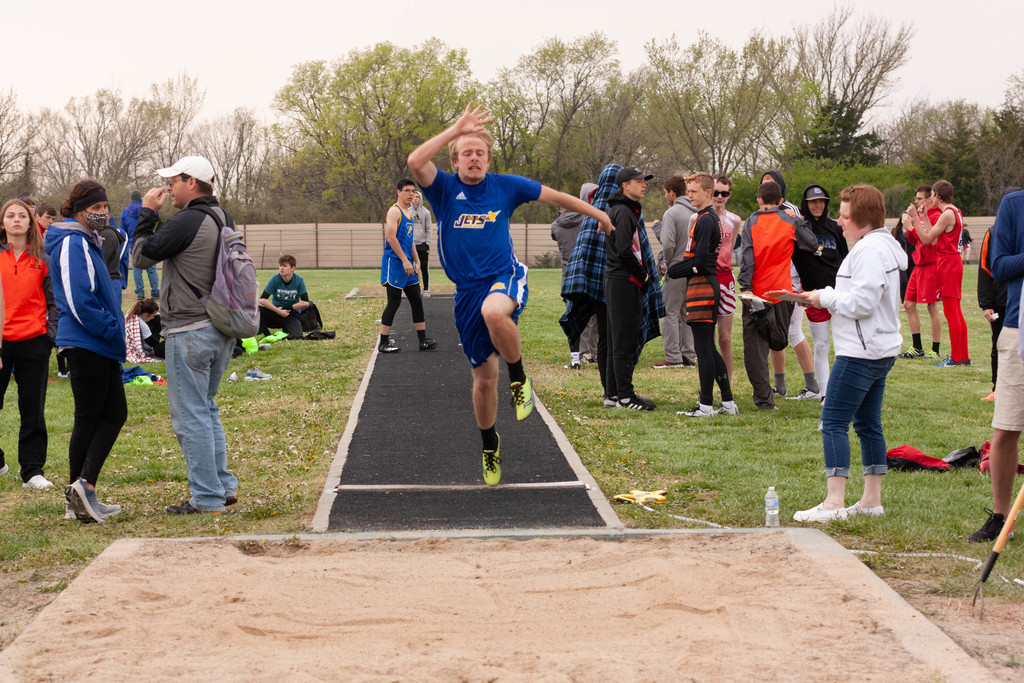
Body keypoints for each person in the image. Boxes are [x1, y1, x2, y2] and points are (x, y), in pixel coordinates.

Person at [408, 102, 613, 486]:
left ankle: (519, 379)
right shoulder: (444, 189)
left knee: (494, 312)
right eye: (467, 153)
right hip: (465, 293)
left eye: (480, 153)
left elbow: (556, 198)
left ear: (488, 159)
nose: (474, 158)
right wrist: (456, 128)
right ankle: (489, 445)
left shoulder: (505, 186)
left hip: (504, 276)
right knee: (484, 379)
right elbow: (416, 160)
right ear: (455, 159)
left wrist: (598, 213)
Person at [132, 155, 240, 515]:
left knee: (190, 415)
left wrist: (147, 213)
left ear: (192, 182)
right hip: (220, 327)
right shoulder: (223, 216)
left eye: (174, 181)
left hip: (189, 330)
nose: (168, 188)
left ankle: (207, 497)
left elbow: (141, 257)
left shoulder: (189, 219)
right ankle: (222, 487)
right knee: (206, 408)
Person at [795, 184, 907, 522]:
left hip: (861, 352)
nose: (839, 223)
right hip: (878, 348)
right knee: (868, 423)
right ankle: (871, 501)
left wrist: (824, 299)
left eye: (845, 217)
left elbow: (861, 303)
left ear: (863, 219)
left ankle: (833, 503)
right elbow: (858, 293)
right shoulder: (878, 247)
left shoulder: (869, 251)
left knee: (832, 421)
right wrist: (821, 293)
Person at [44, 180, 126, 523]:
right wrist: (109, 328)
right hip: (87, 341)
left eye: (105, 207)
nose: (103, 213)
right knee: (103, 415)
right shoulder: (70, 242)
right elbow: (78, 300)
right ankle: (83, 487)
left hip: (98, 341)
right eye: (95, 209)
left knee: (98, 416)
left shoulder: (88, 240)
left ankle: (78, 497)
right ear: (79, 211)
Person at [970, 188, 1024, 541]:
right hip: (1017, 330)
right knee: (1006, 429)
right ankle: (1001, 515)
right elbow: (999, 266)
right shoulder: (1013, 204)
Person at [737, 180, 818, 410]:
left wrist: (746, 287)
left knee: (755, 348)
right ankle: (768, 395)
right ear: (781, 201)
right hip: (782, 293)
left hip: (757, 293)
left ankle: (764, 399)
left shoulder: (751, 222)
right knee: (779, 339)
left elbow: (747, 258)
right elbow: (812, 245)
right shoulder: (790, 222)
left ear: (759, 200)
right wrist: (800, 222)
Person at [667, 173, 737, 417]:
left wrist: (673, 270)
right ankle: (727, 402)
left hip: (704, 287)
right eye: (688, 190)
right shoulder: (702, 218)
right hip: (701, 285)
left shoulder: (706, 220)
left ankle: (705, 405)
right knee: (708, 347)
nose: (689, 195)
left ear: (708, 193)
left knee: (703, 349)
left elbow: (701, 262)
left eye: (694, 191)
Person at [0, 199, 57, 490]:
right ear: (2, 223)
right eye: (10, 216)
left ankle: (32, 471)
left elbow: (54, 302)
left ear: (30, 220)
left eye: (22, 215)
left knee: (32, 409)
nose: (16, 220)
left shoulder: (43, 258)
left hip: (34, 341)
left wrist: (50, 337)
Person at [761, 170, 820, 400]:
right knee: (774, 333)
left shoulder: (791, 211)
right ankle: (780, 386)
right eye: (764, 184)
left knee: (794, 330)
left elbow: (804, 247)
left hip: (791, 279)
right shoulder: (761, 213)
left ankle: (813, 386)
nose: (768, 187)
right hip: (772, 279)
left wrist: (803, 280)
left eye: (772, 183)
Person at [606, 167, 659, 410]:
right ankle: (625, 397)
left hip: (619, 280)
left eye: (643, 181)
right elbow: (624, 250)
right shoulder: (624, 211)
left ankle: (613, 395)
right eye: (638, 181)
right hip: (623, 281)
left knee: (617, 339)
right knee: (624, 341)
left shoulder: (623, 209)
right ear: (624, 185)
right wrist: (644, 275)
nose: (643, 184)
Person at [793, 185, 848, 398]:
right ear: (805, 204)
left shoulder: (835, 228)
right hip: (814, 295)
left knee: (844, 343)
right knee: (822, 343)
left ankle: (841, 390)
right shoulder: (799, 228)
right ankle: (825, 392)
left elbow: (844, 259)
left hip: (838, 294)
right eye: (813, 201)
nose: (817, 205)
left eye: (822, 201)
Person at [913, 179, 969, 367]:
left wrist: (915, 220)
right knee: (956, 312)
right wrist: (926, 218)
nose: (930, 198)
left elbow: (927, 240)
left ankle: (955, 358)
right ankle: (963, 356)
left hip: (948, 263)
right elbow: (937, 240)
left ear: (937, 195)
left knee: (951, 312)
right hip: (952, 261)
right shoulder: (955, 211)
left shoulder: (947, 214)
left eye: (932, 195)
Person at [377, 180, 437, 353]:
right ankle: (383, 342)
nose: (411, 194)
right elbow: (391, 238)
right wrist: (404, 260)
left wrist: (416, 260)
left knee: (417, 301)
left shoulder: (409, 213)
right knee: (394, 302)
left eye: (413, 191)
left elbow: (409, 241)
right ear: (398, 192)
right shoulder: (394, 212)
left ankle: (422, 340)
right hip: (395, 263)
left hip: (408, 264)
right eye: (407, 191)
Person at [977, 189, 1020, 401]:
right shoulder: (993, 232)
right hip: (999, 301)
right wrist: (986, 303)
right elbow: (985, 268)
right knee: (998, 346)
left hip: (1015, 301)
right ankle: (997, 388)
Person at [551, 182, 599, 369]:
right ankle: (592, 351)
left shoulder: (556, 225)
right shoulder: (588, 219)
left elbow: (555, 235)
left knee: (574, 313)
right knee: (593, 314)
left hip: (568, 274)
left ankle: (579, 353)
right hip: (588, 270)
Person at [654, 175, 697, 369]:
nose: (665, 197)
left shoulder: (671, 214)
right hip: (694, 269)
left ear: (672, 192)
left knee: (670, 313)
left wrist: (668, 263)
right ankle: (688, 354)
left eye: (665, 193)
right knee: (686, 313)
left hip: (677, 267)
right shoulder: (697, 211)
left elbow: (669, 244)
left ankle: (673, 357)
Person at [898, 185, 943, 360]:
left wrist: (913, 224)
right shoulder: (920, 216)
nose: (916, 202)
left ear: (928, 200)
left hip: (931, 265)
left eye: (919, 199)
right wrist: (909, 226)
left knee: (932, 306)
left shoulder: (936, 216)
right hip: (919, 265)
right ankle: (917, 347)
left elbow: (928, 240)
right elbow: (913, 239)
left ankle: (935, 349)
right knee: (908, 304)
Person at [712, 175, 741, 382]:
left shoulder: (734, 220)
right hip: (706, 279)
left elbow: (731, 250)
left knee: (725, 337)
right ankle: (708, 382)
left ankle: (727, 384)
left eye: (724, 193)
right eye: (715, 192)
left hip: (726, 279)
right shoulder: (697, 218)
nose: (719, 197)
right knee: (706, 338)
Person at [260, 254, 312, 341]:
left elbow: (306, 302)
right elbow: (262, 299)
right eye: (280, 266)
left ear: (292, 268)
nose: (281, 268)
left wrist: (289, 308)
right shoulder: (275, 279)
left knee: (297, 336)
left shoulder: (299, 280)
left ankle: (287, 329)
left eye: (284, 266)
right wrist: (278, 311)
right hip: (276, 313)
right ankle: (267, 334)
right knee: (256, 311)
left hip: (291, 314)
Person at [122, 189, 160, 301]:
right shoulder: (146, 209)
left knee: (136, 269)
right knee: (152, 269)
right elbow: (157, 215)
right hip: (147, 240)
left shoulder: (125, 212)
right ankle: (155, 292)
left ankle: (140, 293)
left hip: (133, 244)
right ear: (140, 198)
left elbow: (123, 230)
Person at [125, 298, 164, 362]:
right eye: (152, 316)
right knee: (171, 341)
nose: (153, 318)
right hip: (148, 350)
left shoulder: (133, 316)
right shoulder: (142, 324)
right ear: (146, 314)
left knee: (158, 318)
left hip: (145, 343)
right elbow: (152, 343)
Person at [411, 191, 433, 297]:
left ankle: (426, 290)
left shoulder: (426, 212)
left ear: (420, 199)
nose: (415, 199)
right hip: (410, 245)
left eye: (417, 197)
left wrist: (428, 242)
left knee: (424, 267)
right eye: (414, 197)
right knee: (409, 267)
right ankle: (408, 290)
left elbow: (429, 228)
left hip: (422, 244)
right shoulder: (407, 211)